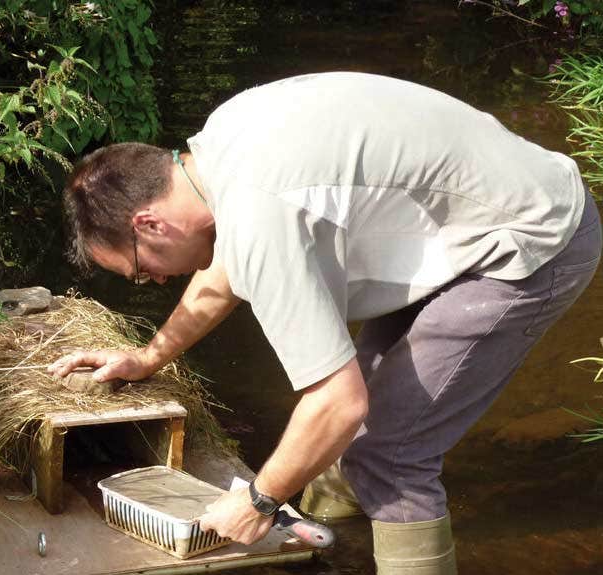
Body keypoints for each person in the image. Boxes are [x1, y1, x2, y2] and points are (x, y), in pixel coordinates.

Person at [48, 72, 601, 574]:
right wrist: (149, 356)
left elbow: (338, 402)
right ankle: (333, 543)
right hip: (473, 211)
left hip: (528, 241)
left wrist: (258, 500)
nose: (157, 282)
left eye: (142, 272)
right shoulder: (221, 144)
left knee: (394, 455)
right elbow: (224, 275)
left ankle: (364, 525)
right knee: (353, 429)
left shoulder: (260, 217)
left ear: (150, 223)